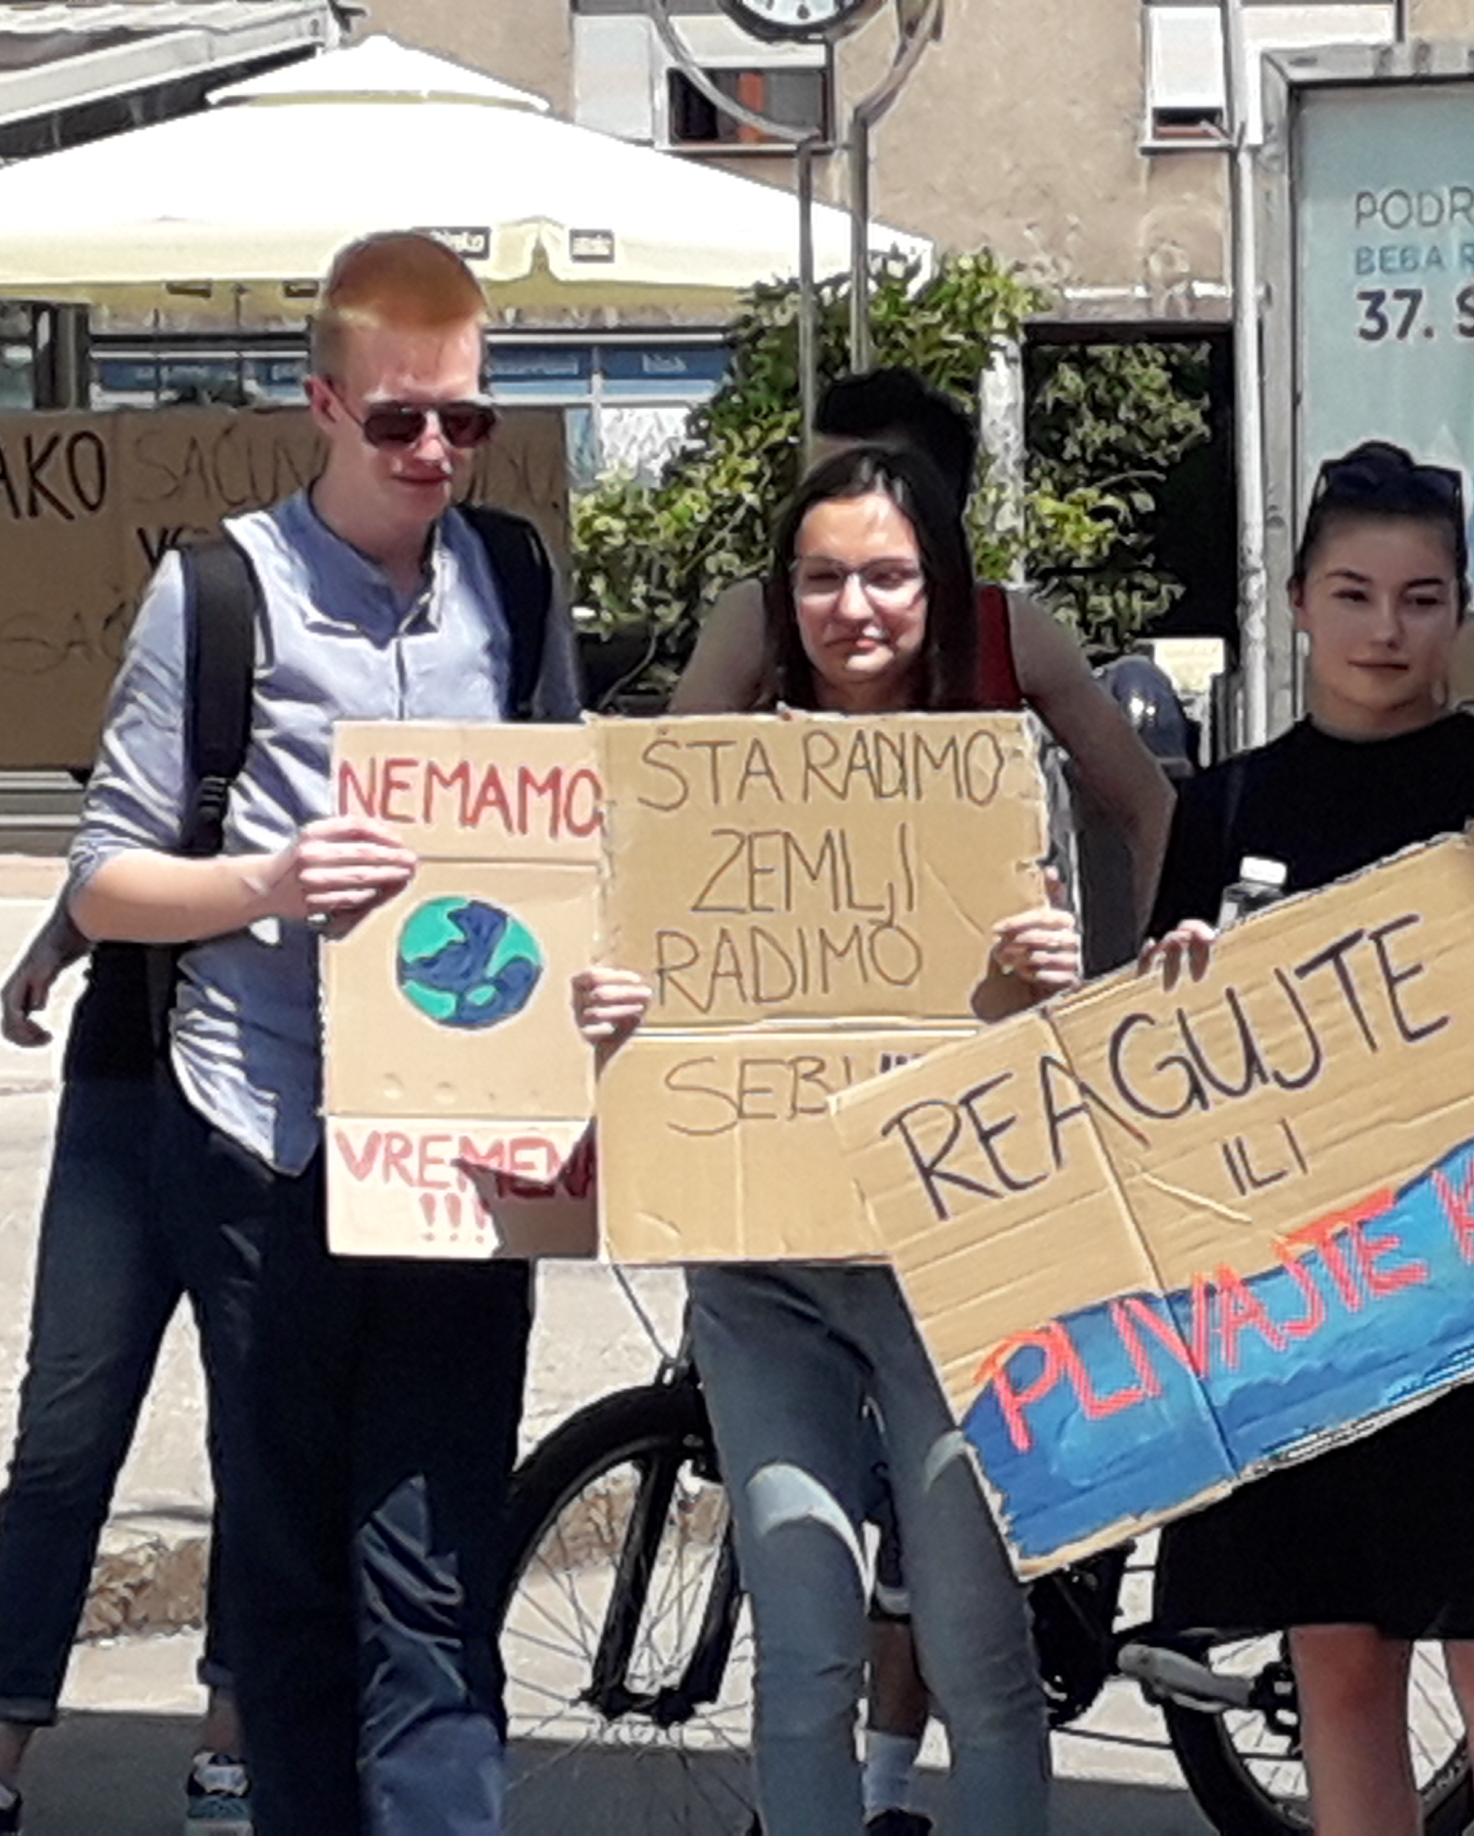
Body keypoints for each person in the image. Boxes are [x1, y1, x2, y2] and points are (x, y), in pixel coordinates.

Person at [45, 231, 579, 1836]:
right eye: (401, 420)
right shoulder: (220, 593)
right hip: (265, 1133)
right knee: (287, 1571)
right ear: (324, 405)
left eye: (466, 421)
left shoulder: (515, 580)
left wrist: (591, 989)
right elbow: (103, 882)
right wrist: (268, 881)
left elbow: (568, 850)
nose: (435, 453)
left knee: (437, 1568)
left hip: (461, 1150)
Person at [573, 441, 1091, 1836]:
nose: (853, 607)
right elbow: (628, 977)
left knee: (978, 1649)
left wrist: (1063, 969)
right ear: (780, 597)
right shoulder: (705, 784)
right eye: (821, 578)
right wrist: (606, 1004)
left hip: (950, 1266)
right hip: (763, 1270)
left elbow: (1067, 1041)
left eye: (887, 576)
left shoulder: (1006, 774)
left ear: (941, 588)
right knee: (802, 1649)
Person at [1140, 440, 1474, 1836]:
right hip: (1291, 1305)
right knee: (1338, 1662)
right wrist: (1169, 990)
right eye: (1353, 594)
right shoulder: (1225, 807)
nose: (1385, 631)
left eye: (1420, 598)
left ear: (1462, 609)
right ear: (1297, 600)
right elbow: (1155, 1080)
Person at [0, 929, 258, 1833]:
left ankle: (234, 1746)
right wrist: (59, 938)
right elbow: (116, 857)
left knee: (257, 1440)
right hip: (125, 1073)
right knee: (64, 1432)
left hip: (267, 1082)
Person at [671, 365, 1176, 934]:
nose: (837, 504)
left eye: (864, 480)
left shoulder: (1012, 630)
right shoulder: (756, 619)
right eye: (821, 485)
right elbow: (661, 804)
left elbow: (1149, 807)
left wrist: (1154, 963)